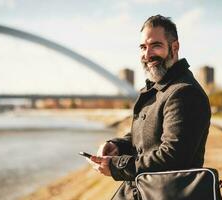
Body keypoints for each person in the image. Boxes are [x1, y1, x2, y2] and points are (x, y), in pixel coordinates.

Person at [88, 15, 211, 199]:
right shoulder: (156, 89)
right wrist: (116, 146)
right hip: (146, 191)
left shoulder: (184, 92)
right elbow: (143, 138)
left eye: (156, 45)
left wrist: (117, 166)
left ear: (174, 47)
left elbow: (173, 157)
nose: (147, 55)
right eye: (143, 47)